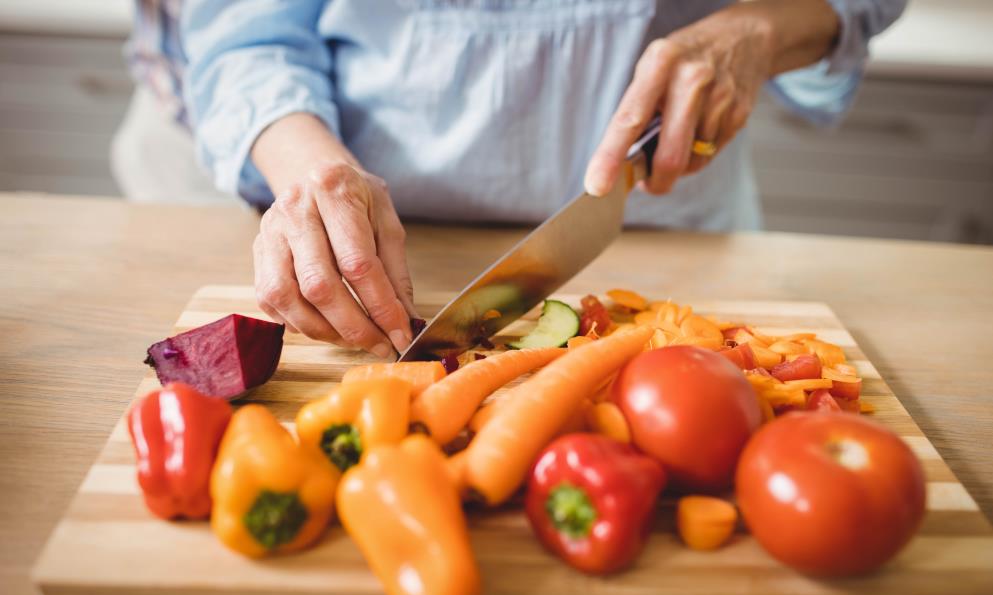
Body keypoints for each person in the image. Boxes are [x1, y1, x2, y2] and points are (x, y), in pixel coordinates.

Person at [113, 0, 906, 358]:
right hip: (362, 240)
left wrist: (761, 25)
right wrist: (305, 165)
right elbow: (243, 30)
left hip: (668, 220)